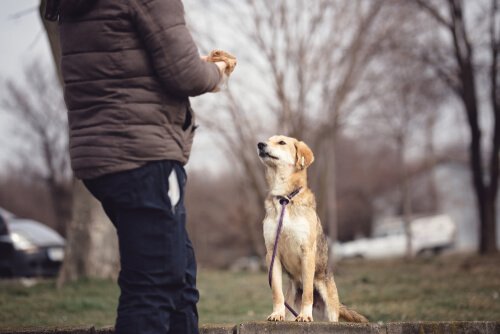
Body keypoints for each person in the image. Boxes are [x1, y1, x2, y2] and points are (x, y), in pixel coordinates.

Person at [45, 0, 231, 333]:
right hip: (142, 157)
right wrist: (217, 73)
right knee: (154, 285)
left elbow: (120, 62)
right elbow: (186, 74)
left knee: (179, 277)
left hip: (103, 156)